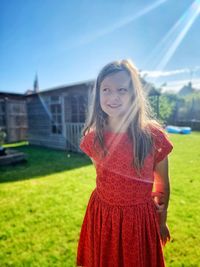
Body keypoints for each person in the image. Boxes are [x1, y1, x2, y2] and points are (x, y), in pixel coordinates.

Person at [76, 59, 173, 267]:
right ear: (98, 95)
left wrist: (161, 221)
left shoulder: (152, 136)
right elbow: (102, 177)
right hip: (103, 217)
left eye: (122, 90)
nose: (113, 97)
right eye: (106, 90)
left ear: (134, 95)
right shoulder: (93, 139)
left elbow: (162, 184)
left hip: (138, 220)